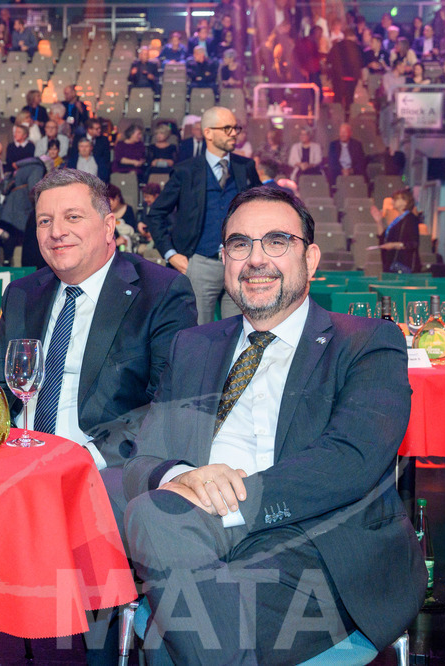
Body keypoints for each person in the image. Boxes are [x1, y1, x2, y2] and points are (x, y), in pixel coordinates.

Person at [123, 185, 425, 665]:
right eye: (240, 244)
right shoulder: (193, 346)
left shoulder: (367, 343)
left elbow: (350, 461)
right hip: (190, 539)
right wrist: (181, 476)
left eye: (276, 242)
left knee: (171, 633)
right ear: (224, 260)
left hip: (322, 548)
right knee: (163, 536)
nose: (255, 259)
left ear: (312, 258)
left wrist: (226, 504)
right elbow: (142, 459)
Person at [0, 164, 196, 577]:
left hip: (102, 466)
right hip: (15, 458)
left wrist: (83, 457)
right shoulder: (21, 294)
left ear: (108, 226)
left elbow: (168, 402)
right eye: (45, 221)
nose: (56, 232)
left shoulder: (160, 292)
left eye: (72, 217)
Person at [147, 106, 262, 324]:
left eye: (236, 128)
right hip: (200, 264)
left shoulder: (245, 167)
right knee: (200, 335)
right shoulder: (186, 170)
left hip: (240, 263)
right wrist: (171, 254)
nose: (234, 133)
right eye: (227, 128)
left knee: (239, 332)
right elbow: (156, 215)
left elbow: (261, 208)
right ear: (208, 132)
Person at [371, 187, 421, 274]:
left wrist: (394, 245)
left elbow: (413, 243)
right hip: (391, 263)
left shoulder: (410, 219)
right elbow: (384, 239)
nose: (392, 201)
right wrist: (378, 222)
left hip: (403, 265)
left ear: (405, 202)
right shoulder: (397, 220)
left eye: (396, 199)